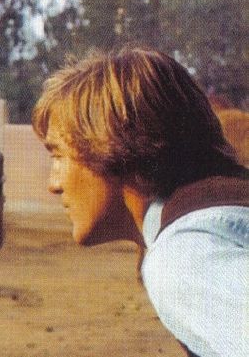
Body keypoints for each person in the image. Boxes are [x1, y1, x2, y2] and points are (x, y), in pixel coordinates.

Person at [32, 46, 248, 357]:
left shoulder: (183, 259)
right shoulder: (224, 206)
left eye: (58, 155)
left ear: (109, 144)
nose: (54, 184)